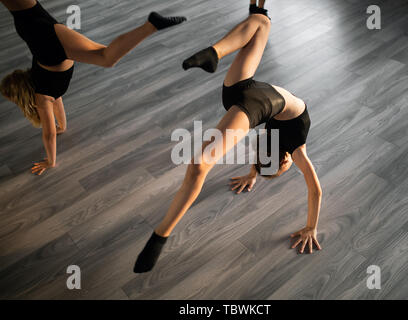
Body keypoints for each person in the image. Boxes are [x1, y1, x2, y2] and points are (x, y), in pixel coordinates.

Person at [134, 11, 322, 274]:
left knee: (262, 22)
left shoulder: (280, 143)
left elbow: (273, 163)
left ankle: (214, 52)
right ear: (284, 159)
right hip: (251, 100)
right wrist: (311, 227)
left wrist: (252, 175)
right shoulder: (297, 149)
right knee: (199, 167)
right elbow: (316, 191)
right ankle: (160, 236)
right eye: (280, 170)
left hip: (249, 91)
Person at [0, 0, 186, 175]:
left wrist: (50, 161)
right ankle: (151, 25)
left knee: (107, 58)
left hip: (50, 43)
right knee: (107, 53)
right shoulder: (47, 91)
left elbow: (48, 135)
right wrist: (63, 127)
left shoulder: (43, 98)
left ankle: (151, 26)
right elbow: (58, 106)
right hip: (42, 28)